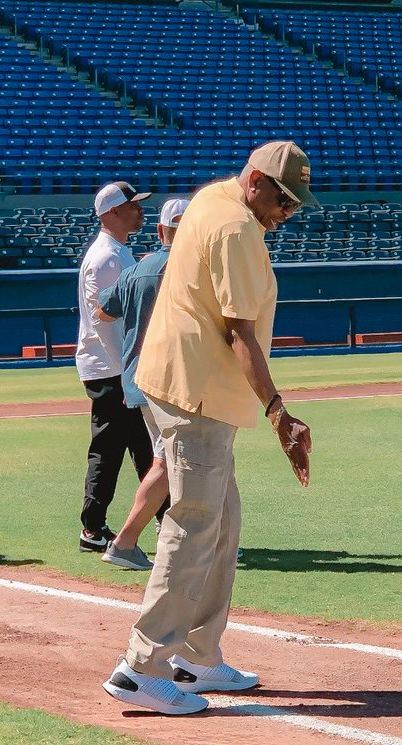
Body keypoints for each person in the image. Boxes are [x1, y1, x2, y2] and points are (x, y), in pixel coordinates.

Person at [102, 141, 316, 714]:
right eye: (282, 199)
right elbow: (240, 334)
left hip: (191, 387)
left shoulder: (211, 199)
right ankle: (143, 665)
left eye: (295, 203)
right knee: (195, 524)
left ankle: (197, 657)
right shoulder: (237, 229)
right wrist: (280, 414)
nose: (287, 212)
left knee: (221, 524)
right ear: (254, 182)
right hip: (195, 393)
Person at [94, 197, 189, 570]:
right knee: (173, 463)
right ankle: (126, 541)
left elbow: (103, 310)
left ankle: (179, 536)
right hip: (175, 380)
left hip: (139, 379)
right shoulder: (190, 266)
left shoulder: (139, 267)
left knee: (169, 461)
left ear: (161, 230)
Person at [75, 181, 157, 554]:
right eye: (132, 205)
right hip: (111, 369)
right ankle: (93, 529)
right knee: (113, 450)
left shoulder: (118, 252)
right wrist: (128, 373)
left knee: (141, 447)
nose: (140, 210)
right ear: (111, 213)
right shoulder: (108, 257)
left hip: (115, 367)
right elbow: (105, 321)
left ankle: (160, 518)